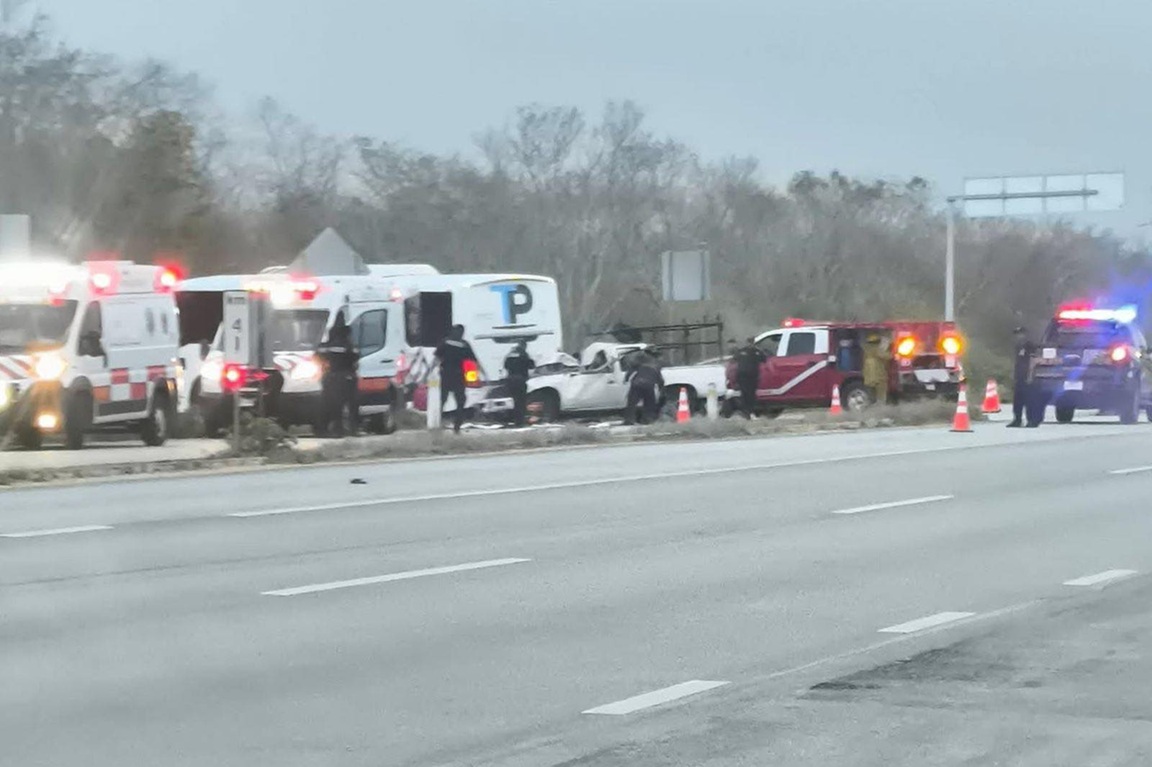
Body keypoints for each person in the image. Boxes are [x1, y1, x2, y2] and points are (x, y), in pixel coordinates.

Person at [316, 311, 359, 437]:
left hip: (330, 377)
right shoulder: (349, 345)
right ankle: (352, 429)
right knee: (352, 404)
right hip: (347, 377)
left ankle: (330, 430)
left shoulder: (325, 346)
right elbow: (355, 359)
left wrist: (325, 367)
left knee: (331, 405)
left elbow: (318, 356)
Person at [435, 324, 479, 433]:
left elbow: (436, 358)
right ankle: (457, 426)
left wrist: (427, 373)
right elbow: (473, 361)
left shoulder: (445, 342)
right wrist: (478, 376)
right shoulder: (464, 345)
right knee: (460, 401)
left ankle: (437, 422)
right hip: (459, 376)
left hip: (445, 375)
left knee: (442, 400)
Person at [1008, 326, 1040, 428]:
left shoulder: (1030, 346)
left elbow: (1033, 361)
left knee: (1029, 400)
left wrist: (1030, 375)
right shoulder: (1018, 346)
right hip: (1019, 376)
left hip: (1028, 376)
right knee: (1017, 400)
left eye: (1020, 334)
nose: (1018, 336)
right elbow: (1018, 362)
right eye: (1017, 334)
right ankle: (1017, 419)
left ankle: (1032, 420)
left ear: (1025, 334)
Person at [624, 349, 664, 425]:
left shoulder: (640, 361)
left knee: (631, 403)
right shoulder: (657, 365)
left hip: (637, 383)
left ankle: (629, 420)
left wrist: (626, 379)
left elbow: (631, 370)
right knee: (649, 403)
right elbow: (660, 379)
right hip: (649, 385)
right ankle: (647, 419)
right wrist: (661, 388)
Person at [502, 341, 535, 427]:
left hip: (510, 379)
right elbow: (531, 365)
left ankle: (512, 419)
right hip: (520, 380)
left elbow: (505, 365)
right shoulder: (524, 354)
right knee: (521, 402)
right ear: (524, 346)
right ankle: (519, 421)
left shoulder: (510, 354)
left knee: (514, 400)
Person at [732, 337, 766, 418]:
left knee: (751, 394)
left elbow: (764, 359)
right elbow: (735, 360)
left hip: (752, 376)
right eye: (749, 342)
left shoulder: (757, 352)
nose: (750, 344)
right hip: (743, 376)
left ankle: (750, 411)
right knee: (745, 394)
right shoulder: (742, 351)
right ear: (747, 343)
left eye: (752, 342)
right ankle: (746, 412)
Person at [861, 334, 887, 405]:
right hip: (877, 371)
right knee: (880, 387)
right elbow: (884, 356)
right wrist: (892, 354)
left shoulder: (866, 349)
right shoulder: (877, 349)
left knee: (870, 387)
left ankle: (871, 402)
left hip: (868, 372)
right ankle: (880, 402)